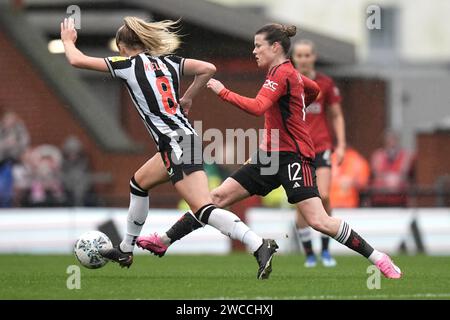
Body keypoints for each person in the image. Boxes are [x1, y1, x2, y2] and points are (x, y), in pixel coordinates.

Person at [137, 23, 402, 279]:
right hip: (269, 157)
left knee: (318, 220)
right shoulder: (289, 74)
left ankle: (379, 258)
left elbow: (257, 107)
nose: (254, 51)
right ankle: (163, 241)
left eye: (258, 46)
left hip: (293, 157)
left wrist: (222, 91)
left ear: (275, 47)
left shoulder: (281, 73)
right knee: (215, 198)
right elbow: (314, 90)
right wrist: (296, 108)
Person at [60, 17, 276, 279]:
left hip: (177, 143)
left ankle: (257, 244)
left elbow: (76, 60)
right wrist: (188, 97)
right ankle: (126, 249)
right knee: (138, 183)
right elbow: (208, 68)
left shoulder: (127, 64)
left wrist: (67, 41)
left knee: (202, 209)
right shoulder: (169, 62)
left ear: (122, 45)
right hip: (179, 140)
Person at [290, 39, 346, 267]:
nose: (303, 59)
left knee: (323, 196)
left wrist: (341, 144)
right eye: (299, 55)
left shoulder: (325, 83)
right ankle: (309, 253)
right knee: (303, 201)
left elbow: (336, 115)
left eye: (307, 55)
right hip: (296, 149)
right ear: (293, 58)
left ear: (314, 57)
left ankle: (325, 250)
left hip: (321, 146)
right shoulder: (287, 82)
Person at [370, 131, 413, 207]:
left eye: (394, 139)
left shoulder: (405, 156)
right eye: (389, 139)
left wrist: (393, 178)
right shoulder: (378, 155)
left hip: (399, 198)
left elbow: (404, 172)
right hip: (380, 198)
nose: (392, 142)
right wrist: (389, 178)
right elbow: (376, 173)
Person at [0, 112, 30, 207]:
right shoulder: (2, 130)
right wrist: (6, 143)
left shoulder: (20, 131)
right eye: (7, 119)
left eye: (11, 119)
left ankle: (17, 204)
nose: (9, 122)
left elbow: (24, 145)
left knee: (18, 184)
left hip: (16, 162)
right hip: (2, 161)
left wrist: (15, 144)